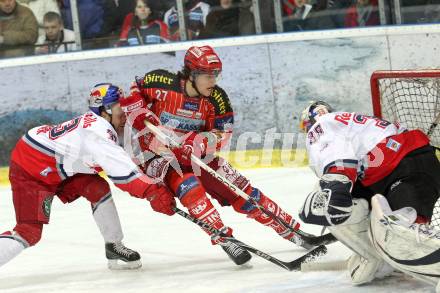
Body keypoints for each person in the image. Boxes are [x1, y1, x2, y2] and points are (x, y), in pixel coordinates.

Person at [119, 45, 310, 266]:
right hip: (156, 157)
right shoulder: (160, 82)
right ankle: (224, 237)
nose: (213, 81)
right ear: (191, 73)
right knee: (189, 185)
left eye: (215, 75)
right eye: (207, 75)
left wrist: (198, 143)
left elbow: (223, 133)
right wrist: (138, 110)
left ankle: (292, 231)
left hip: (194, 155)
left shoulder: (217, 98)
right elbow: (134, 90)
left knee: (239, 188)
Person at [0, 83, 175, 270]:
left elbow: (130, 161)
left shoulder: (107, 126)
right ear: (105, 109)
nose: (124, 111)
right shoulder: (98, 133)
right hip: (32, 165)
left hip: (58, 164)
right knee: (29, 232)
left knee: (97, 189)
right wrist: (152, 192)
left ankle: (114, 245)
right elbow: (124, 175)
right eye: (119, 106)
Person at [298, 101, 440, 290]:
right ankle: (382, 258)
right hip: (420, 164)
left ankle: (376, 256)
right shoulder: (352, 121)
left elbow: (335, 155)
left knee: (394, 234)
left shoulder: (320, 125)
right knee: (407, 229)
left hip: (396, 166)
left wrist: (336, 187)